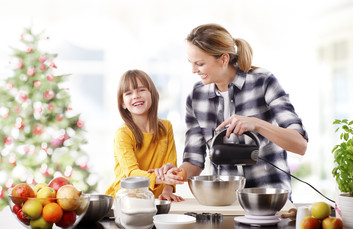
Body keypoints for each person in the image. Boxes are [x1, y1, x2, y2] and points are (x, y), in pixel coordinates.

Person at [160, 23, 308, 195]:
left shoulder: (263, 82)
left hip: (268, 200)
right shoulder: (196, 97)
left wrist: (256, 124)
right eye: (191, 63)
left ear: (223, 59)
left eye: (199, 63)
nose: (193, 70)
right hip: (224, 201)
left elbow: (300, 145)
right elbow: (194, 160)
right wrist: (178, 174)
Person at [105, 69, 184, 202]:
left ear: (152, 94)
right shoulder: (123, 134)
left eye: (141, 90)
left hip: (155, 202)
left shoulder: (166, 128)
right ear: (123, 103)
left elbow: (171, 166)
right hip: (124, 203)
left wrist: (167, 190)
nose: (136, 96)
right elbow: (131, 174)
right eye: (129, 93)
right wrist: (163, 178)